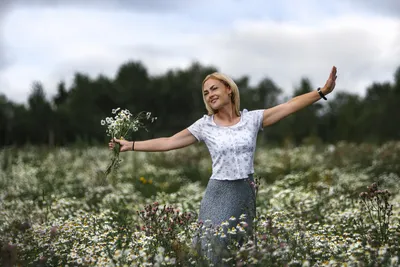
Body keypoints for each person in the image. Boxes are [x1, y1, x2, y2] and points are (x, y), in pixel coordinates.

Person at [109, 66, 337, 263]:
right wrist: (131, 144)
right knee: (212, 249)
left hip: (245, 192)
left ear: (229, 89)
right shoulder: (204, 125)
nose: (210, 95)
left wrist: (322, 92)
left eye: (214, 89)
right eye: (206, 93)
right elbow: (169, 142)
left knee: (237, 251)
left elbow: (289, 105)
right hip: (218, 192)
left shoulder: (252, 119)